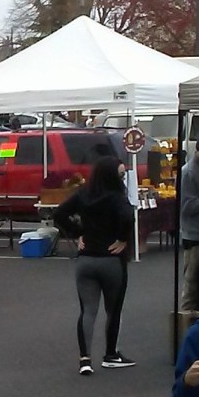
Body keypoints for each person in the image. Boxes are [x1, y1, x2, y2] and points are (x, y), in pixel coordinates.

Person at [52, 157, 135, 376]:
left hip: (86, 259)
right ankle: (110, 354)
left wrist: (78, 233)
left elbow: (59, 214)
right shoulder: (118, 198)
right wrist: (123, 239)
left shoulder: (83, 194)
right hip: (111, 260)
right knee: (113, 309)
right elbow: (128, 218)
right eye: (121, 174)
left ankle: (85, 359)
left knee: (88, 310)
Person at [181, 132, 199, 312]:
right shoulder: (188, 172)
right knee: (192, 291)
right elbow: (186, 207)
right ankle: (186, 334)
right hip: (196, 239)